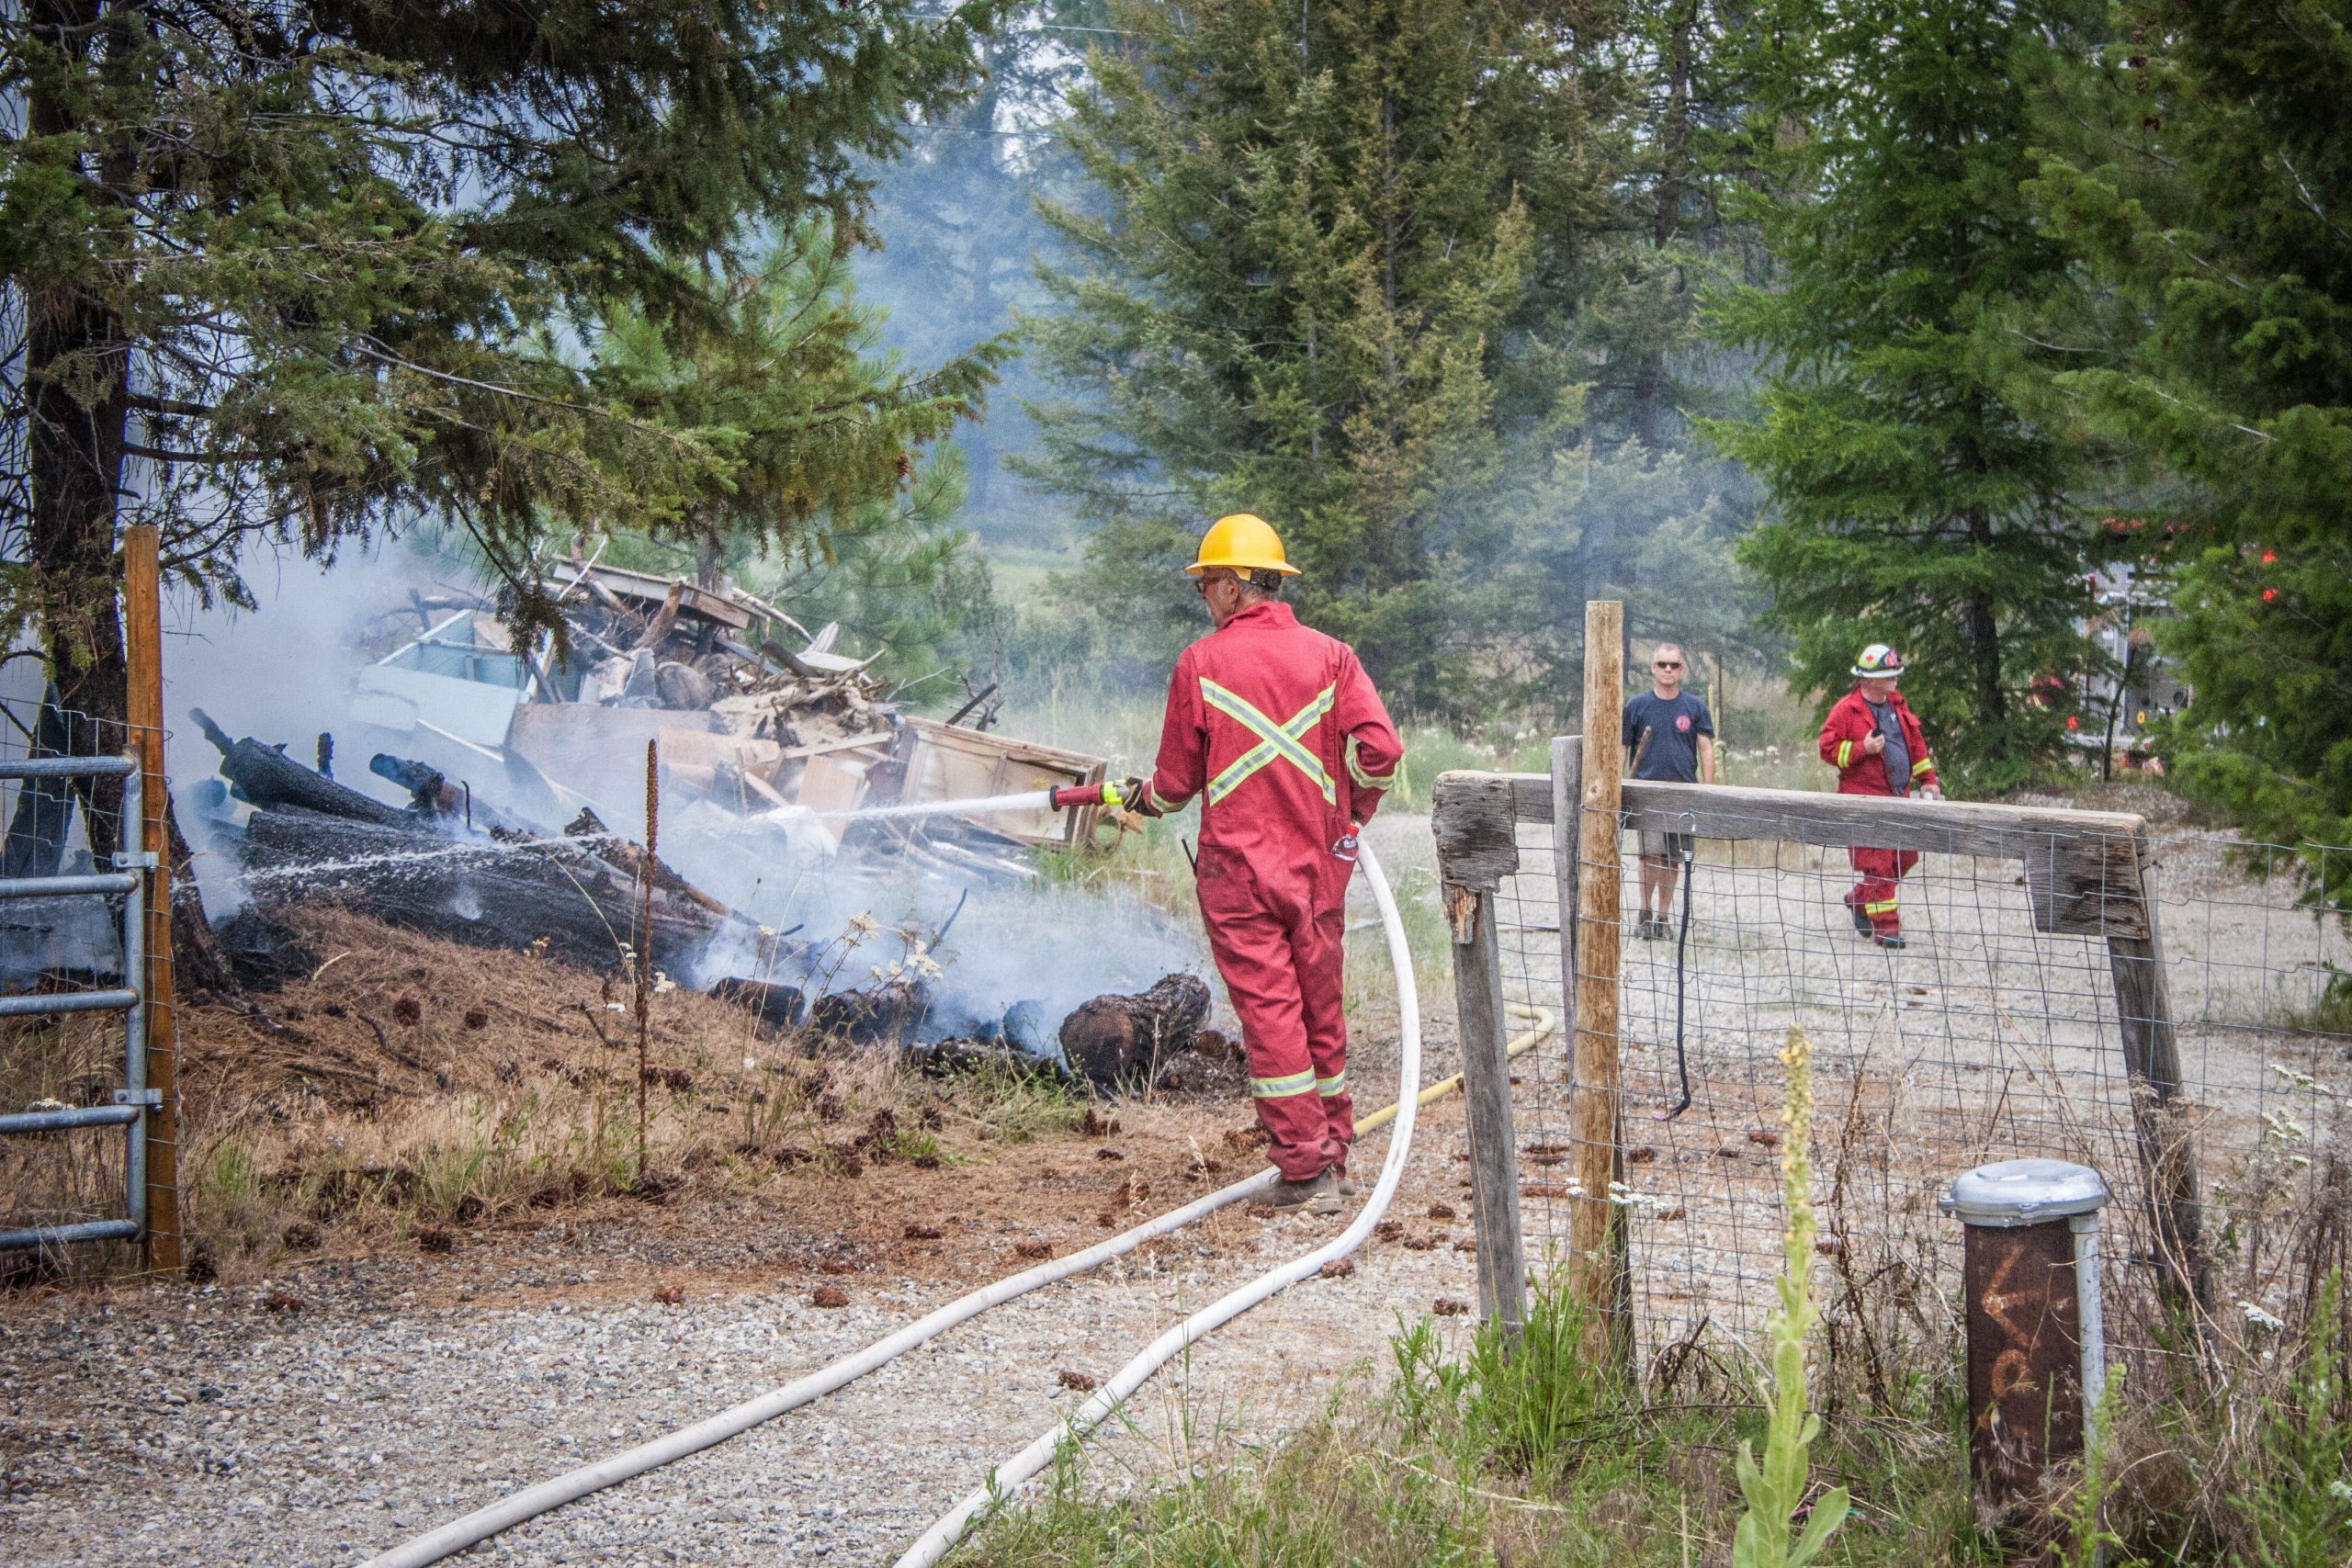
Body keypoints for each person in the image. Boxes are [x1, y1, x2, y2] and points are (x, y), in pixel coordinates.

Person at [1117, 513, 1403, 1215]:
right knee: (1318, 1005)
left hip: (1238, 874)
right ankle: (1332, 1145)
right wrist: (1353, 815)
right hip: (1318, 867)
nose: (1204, 596)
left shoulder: (1201, 663)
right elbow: (1383, 751)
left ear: (1237, 586)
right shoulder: (1333, 656)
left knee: (1271, 1012)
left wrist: (1143, 801)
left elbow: (1176, 784)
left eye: (1208, 582)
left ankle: (1305, 1171)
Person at [1818, 644, 1942, 949]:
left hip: (1898, 798)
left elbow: (1917, 748)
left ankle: (1859, 899)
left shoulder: (1898, 706)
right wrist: (1862, 749)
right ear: (1870, 679)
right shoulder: (1846, 710)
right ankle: (1888, 930)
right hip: (1864, 803)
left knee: (1904, 857)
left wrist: (1928, 780)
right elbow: (1827, 749)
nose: (1896, 679)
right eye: (1890, 675)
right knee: (1880, 865)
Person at [1621, 642, 1715, 939]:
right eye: (1662, 664)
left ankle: (1663, 917)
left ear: (1681, 670)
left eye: (1673, 665)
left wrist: (1708, 791)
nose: (1667, 670)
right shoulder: (1636, 706)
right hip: (1646, 792)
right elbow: (1622, 747)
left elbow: (1705, 747)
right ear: (1652, 668)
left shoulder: (1695, 707)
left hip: (1683, 793)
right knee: (1650, 855)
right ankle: (1644, 913)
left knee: (1675, 858)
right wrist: (1617, 783)